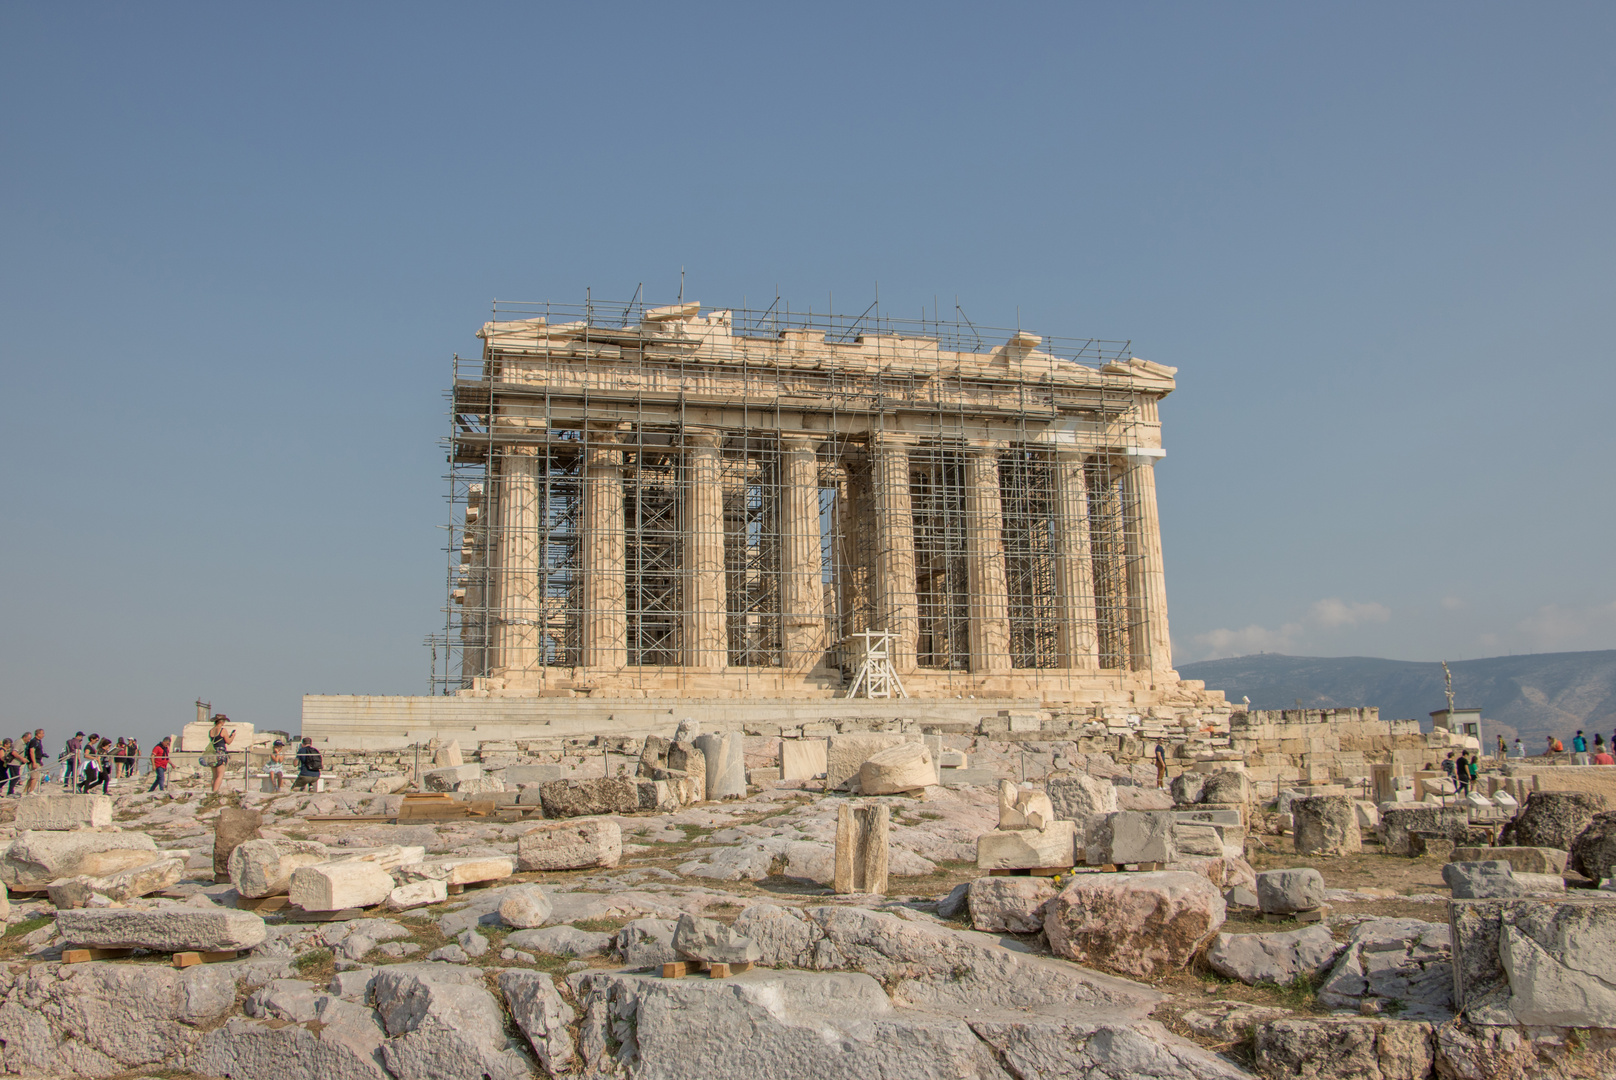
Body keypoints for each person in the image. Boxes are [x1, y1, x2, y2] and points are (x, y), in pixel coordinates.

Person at [206, 714, 234, 793]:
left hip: (212, 753)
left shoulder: (211, 731)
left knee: (214, 776)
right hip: (220, 753)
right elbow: (228, 741)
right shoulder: (223, 730)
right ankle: (214, 792)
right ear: (221, 721)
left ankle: (213, 790)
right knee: (220, 775)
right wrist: (233, 736)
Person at [23, 729, 45, 794]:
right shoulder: (34, 741)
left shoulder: (39, 741)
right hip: (33, 762)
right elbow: (32, 751)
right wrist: (34, 762)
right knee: (34, 777)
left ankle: (25, 791)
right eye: (42, 733)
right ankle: (31, 791)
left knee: (32, 777)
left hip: (38, 760)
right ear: (38, 734)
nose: (43, 735)